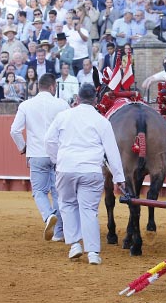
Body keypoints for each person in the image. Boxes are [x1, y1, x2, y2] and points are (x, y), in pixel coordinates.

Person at [45, 83, 126, 264]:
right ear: (96, 100)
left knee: (67, 205)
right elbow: (112, 152)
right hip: (91, 169)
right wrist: (119, 178)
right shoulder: (102, 121)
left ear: (77, 98)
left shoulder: (63, 116)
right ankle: (93, 253)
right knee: (89, 210)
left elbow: (49, 140)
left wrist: (57, 160)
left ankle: (74, 244)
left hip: (66, 167)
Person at [10, 73, 69, 243]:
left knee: (39, 192)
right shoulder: (62, 104)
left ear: (38, 87)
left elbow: (14, 130)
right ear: (52, 87)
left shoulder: (26, 105)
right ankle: (59, 233)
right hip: (58, 154)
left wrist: (24, 148)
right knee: (58, 193)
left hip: (36, 153)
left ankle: (48, 215)